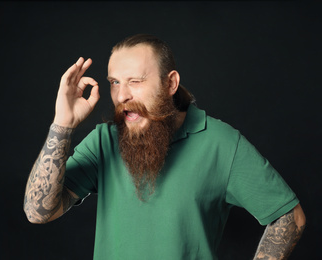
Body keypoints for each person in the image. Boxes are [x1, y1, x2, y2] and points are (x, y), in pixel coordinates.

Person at [24, 34, 306, 259]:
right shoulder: (104, 141)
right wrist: (63, 124)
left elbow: (290, 216)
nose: (122, 95)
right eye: (114, 82)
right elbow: (38, 212)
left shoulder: (221, 143)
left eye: (135, 81)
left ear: (170, 83)